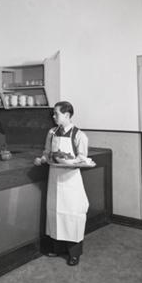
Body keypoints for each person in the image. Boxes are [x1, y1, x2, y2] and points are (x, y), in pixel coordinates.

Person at [34, 101, 90, 266]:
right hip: (55, 178)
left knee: (72, 215)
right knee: (55, 213)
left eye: (56, 113)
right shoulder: (52, 133)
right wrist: (42, 159)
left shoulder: (79, 135)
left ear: (67, 115)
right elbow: (47, 152)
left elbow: (82, 158)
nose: (53, 116)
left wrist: (69, 161)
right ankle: (57, 248)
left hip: (71, 180)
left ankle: (74, 253)